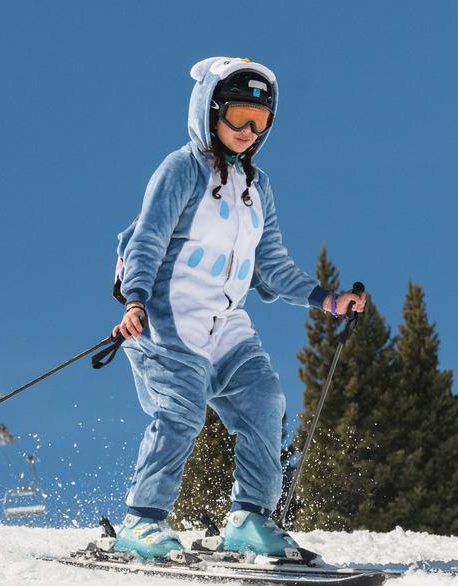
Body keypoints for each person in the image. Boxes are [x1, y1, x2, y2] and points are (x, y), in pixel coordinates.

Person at [110, 57, 366, 559]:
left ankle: (250, 517)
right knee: (181, 413)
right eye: (237, 117)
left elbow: (271, 265)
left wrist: (327, 299)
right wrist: (134, 299)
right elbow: (146, 240)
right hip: (166, 320)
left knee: (264, 403)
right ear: (209, 111)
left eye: (261, 120)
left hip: (224, 325)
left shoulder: (258, 187)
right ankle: (141, 522)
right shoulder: (181, 169)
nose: (249, 131)